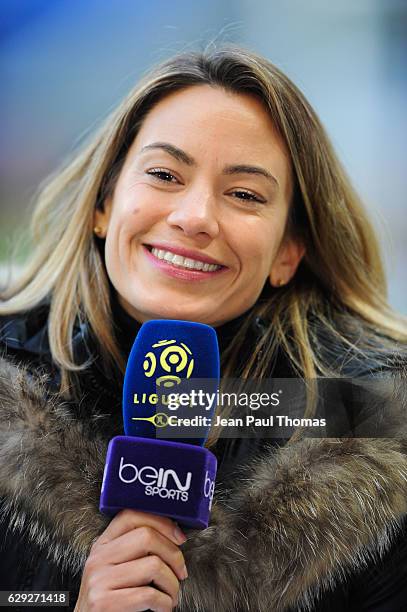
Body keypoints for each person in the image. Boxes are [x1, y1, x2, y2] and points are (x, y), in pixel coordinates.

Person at [0, 45, 406, 612]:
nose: (194, 218)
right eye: (165, 174)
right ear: (103, 205)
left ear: (288, 252)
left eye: (244, 194)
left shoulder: (373, 426)